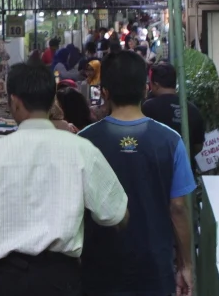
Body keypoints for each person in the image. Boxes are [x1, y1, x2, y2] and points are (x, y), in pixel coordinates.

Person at [0, 61, 129, 296]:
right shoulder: (81, 149)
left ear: (15, 102)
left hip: (7, 280)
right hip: (60, 279)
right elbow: (117, 215)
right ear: (52, 102)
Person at [78, 52, 197, 296]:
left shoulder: (83, 141)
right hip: (154, 268)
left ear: (104, 92)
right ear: (145, 89)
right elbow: (178, 207)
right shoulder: (171, 141)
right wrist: (185, 264)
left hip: (98, 269)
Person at [143, 62, 206, 156]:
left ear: (156, 84)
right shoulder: (192, 109)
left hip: (156, 167)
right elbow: (198, 146)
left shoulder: (148, 107)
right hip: (185, 166)